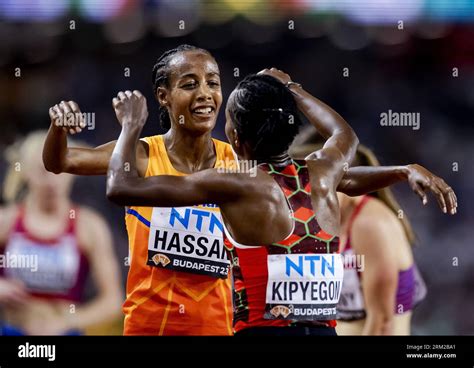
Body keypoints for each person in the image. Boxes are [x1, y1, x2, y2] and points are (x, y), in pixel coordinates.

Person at [106, 69, 456, 336]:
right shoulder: (322, 173)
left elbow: (120, 187)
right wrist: (292, 88)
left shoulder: (229, 183)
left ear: (235, 138)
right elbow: (344, 136)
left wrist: (130, 128)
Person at [44, 45, 237, 335]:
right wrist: (58, 127)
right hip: (149, 327)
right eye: (189, 84)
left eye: (213, 82)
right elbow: (60, 161)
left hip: (217, 327)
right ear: (163, 96)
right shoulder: (142, 154)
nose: (204, 94)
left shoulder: (236, 162)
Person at [290, 131, 433, 335]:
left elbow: (383, 324)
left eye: (315, 188)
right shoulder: (312, 223)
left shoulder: (371, 224)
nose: (304, 199)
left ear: (344, 181)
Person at [0, 131, 122, 335]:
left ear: (72, 170)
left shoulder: (89, 226)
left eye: (60, 170)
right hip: (12, 330)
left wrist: (66, 322)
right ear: (26, 172)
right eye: (43, 170)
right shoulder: (6, 220)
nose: (52, 181)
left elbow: (113, 300)